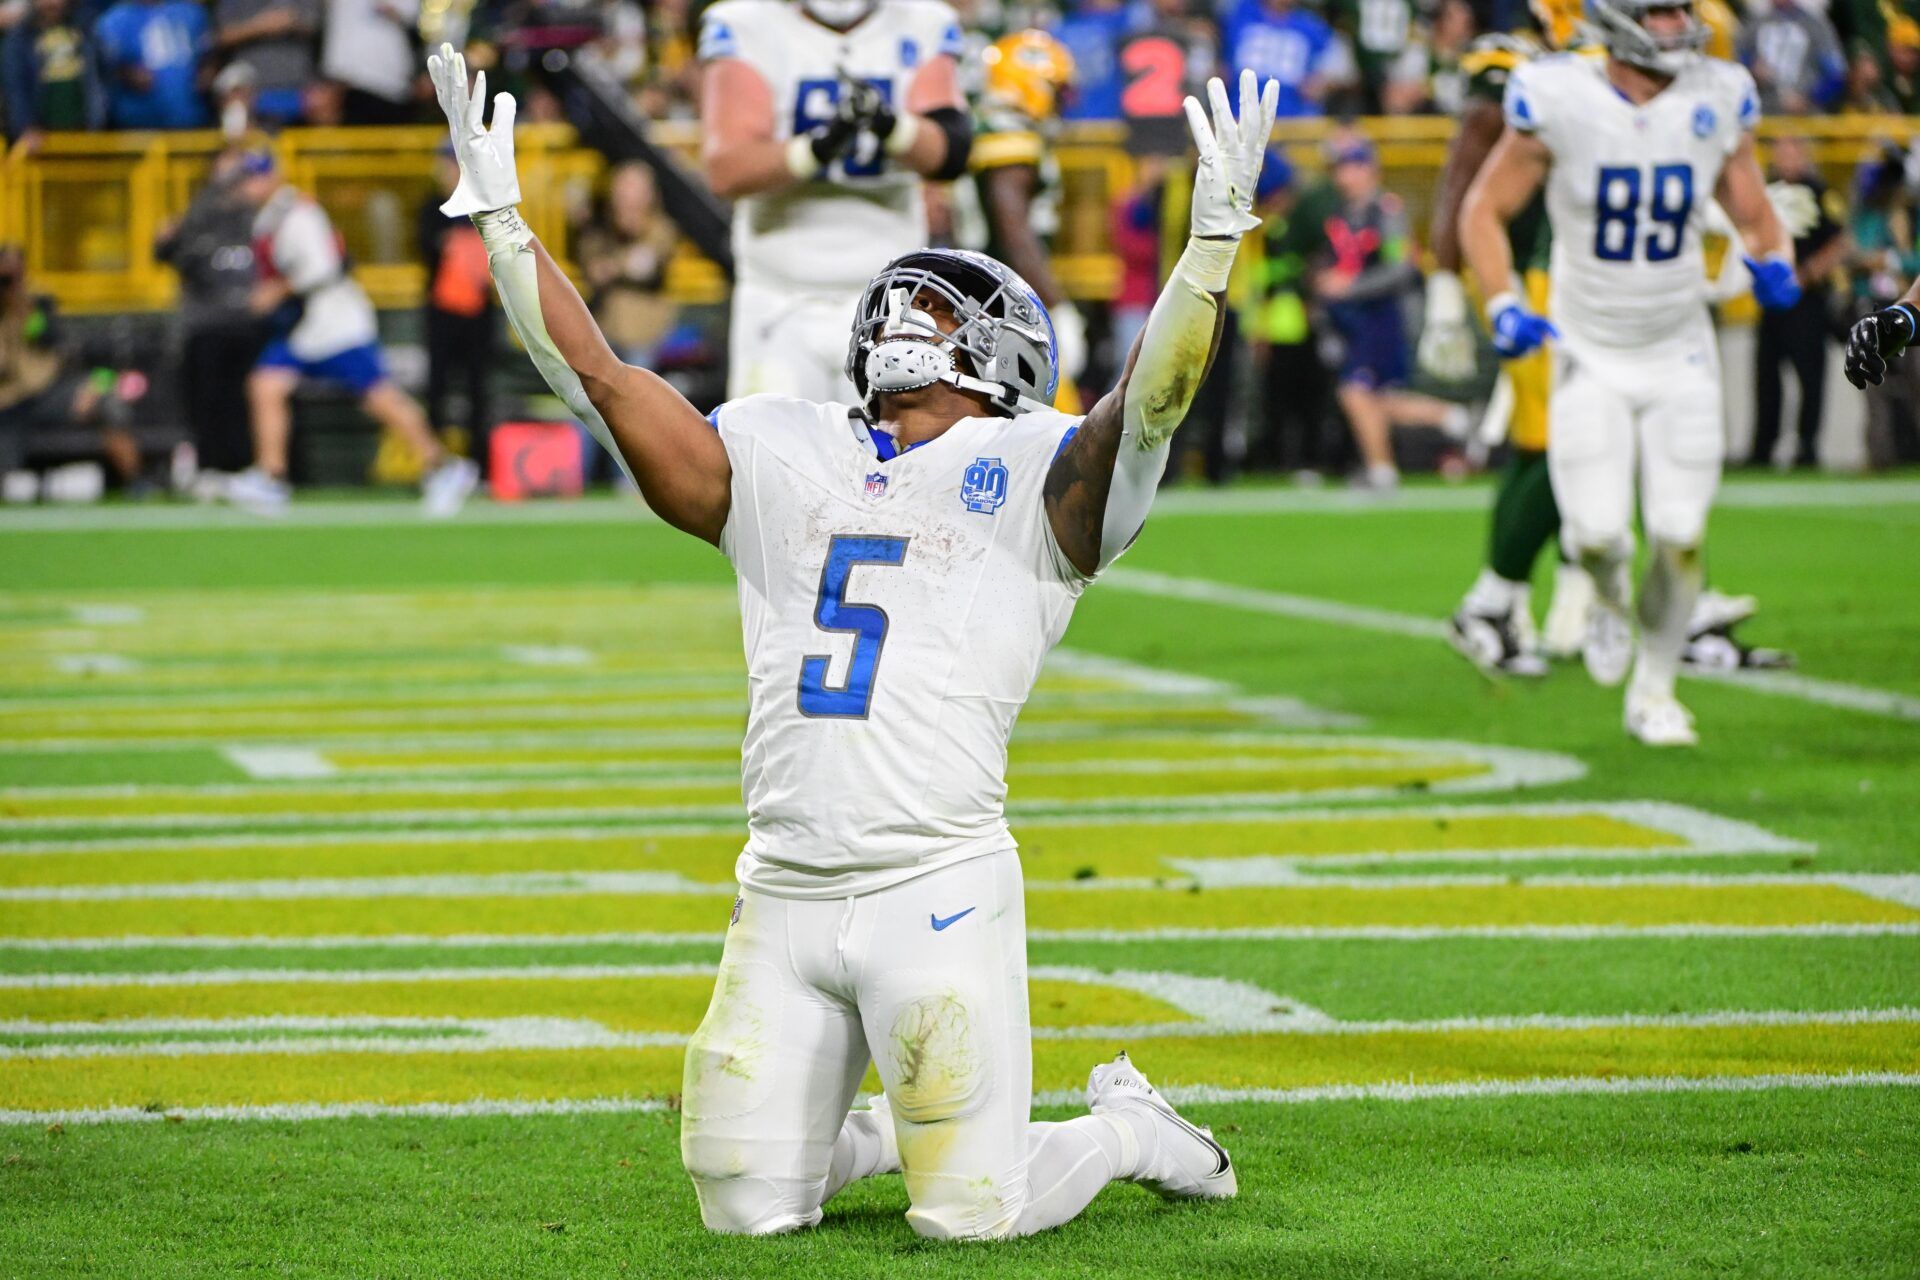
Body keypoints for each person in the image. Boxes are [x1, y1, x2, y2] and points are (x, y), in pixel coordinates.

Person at [431, 42, 1280, 1239]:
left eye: (943, 306)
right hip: (779, 883)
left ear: (1003, 357)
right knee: (742, 1203)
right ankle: (898, 1127)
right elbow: (599, 379)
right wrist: (505, 220)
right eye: (905, 297)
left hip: (931, 881)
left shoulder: (1033, 469)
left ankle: (1126, 1125)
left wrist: (1208, 249)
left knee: (973, 1217)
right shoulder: (783, 444)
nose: (909, 314)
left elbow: (1148, 409)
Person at [1460, 0, 1797, 746]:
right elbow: (1482, 208)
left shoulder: (1717, 92)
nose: (1682, 22)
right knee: (1597, 537)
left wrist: (1774, 260)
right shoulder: (1559, 94)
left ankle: (1655, 692)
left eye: (1684, 7)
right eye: (1665, 9)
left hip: (1680, 348)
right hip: (1589, 348)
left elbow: (1751, 205)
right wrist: (1503, 303)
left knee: (1679, 533)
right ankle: (1608, 601)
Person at [1424, 0, 1589, 677]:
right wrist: (1446, 288)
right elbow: (1466, 176)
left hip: (1563, 281)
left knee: (1542, 445)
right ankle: (1496, 601)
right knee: (1563, 444)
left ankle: (1520, 600)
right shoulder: (1510, 65)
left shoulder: (1571, 68)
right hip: (1525, 283)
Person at [698, 0, 974, 402]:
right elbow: (728, 169)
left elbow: (951, 153)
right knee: (770, 452)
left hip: (890, 299)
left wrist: (888, 125)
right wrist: (820, 147)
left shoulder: (922, 21)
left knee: (884, 456)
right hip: (779, 297)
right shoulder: (745, 23)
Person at [226, 150, 479, 516]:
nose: (249, 186)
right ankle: (271, 477)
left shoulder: (297, 212)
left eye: (255, 177)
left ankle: (443, 467)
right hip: (307, 326)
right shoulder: (270, 217)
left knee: (380, 398)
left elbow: (324, 266)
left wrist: (277, 290)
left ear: (272, 176)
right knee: (266, 384)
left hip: (334, 322)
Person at [1317, 136, 1471, 492]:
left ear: (1369, 170)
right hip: (1354, 320)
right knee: (1379, 400)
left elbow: (1399, 267)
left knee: (1356, 392)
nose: (1343, 177)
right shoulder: (1343, 214)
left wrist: (1348, 286)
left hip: (1383, 316)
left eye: (1350, 167)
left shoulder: (1385, 211)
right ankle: (1451, 418)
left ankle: (1382, 470)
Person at [964, 30, 1088, 398]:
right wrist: (1055, 307)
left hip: (986, 297)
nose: (1062, 104)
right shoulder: (1009, 134)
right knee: (1054, 417)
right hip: (1002, 305)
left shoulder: (987, 126)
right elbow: (1014, 231)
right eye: (1058, 91)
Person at [155, 148, 267, 477]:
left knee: (249, 399)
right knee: (208, 400)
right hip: (207, 322)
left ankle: (252, 466)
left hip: (250, 322)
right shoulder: (198, 214)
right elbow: (167, 254)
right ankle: (210, 468)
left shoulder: (260, 216)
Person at [0, 246, 142, 489]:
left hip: (48, 394)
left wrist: (19, 302)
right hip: (8, 400)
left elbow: (49, 338)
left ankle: (137, 482)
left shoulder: (38, 302)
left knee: (107, 399)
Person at [1748, 134, 1846, 470]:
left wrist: (1805, 276)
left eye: (1791, 151)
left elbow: (1840, 241)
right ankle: (1762, 448)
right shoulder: (1765, 190)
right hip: (1772, 301)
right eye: (1781, 151)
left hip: (1807, 301)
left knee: (1809, 377)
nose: (1785, 158)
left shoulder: (1820, 192)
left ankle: (1807, 450)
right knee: (1766, 378)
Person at [418, 145, 498, 461]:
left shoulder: (485, 206)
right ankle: (434, 464)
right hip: (443, 312)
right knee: (437, 390)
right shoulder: (432, 207)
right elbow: (428, 248)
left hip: (478, 313)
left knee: (478, 391)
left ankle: (481, 466)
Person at [93, 0, 211, 129]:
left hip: (192, 120)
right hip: (137, 125)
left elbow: (208, 55)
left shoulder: (191, 13)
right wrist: (127, 74)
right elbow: (104, 68)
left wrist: (206, 74)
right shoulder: (114, 20)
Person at [3, 0, 101, 146]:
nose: (52, 3)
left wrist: (99, 117)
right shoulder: (19, 39)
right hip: (40, 137)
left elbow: (102, 75)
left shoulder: (86, 30)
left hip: (86, 130)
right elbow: (14, 87)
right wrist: (25, 126)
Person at [211, 0, 319, 127]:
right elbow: (220, 36)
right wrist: (261, 25)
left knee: (323, 101)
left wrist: (291, 21)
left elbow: (315, 23)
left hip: (299, 85)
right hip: (248, 88)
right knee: (235, 111)